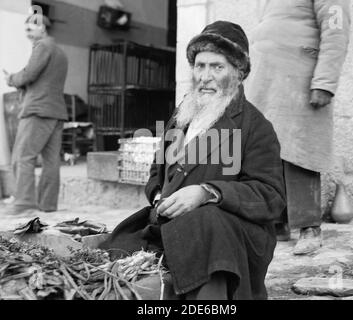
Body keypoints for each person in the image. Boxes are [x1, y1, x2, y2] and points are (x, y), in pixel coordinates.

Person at [99, 21, 286, 300]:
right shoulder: (181, 116)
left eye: (217, 67)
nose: (205, 76)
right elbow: (155, 172)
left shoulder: (255, 126)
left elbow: (271, 197)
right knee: (113, 253)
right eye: (200, 66)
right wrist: (160, 194)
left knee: (207, 222)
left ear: (238, 72)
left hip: (229, 239)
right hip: (174, 228)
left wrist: (207, 193)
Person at [246, 0, 351, 255]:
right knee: (270, 151)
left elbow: (336, 30)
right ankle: (278, 222)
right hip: (269, 81)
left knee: (301, 152)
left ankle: (309, 228)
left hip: (300, 79)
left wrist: (324, 82)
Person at [3, 14, 68, 214]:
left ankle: (23, 204)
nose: (28, 32)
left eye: (32, 27)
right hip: (56, 111)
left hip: (38, 110)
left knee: (22, 156)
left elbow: (29, 74)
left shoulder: (42, 47)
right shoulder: (60, 52)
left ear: (43, 28)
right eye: (26, 29)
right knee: (51, 162)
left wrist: (11, 78)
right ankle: (47, 205)